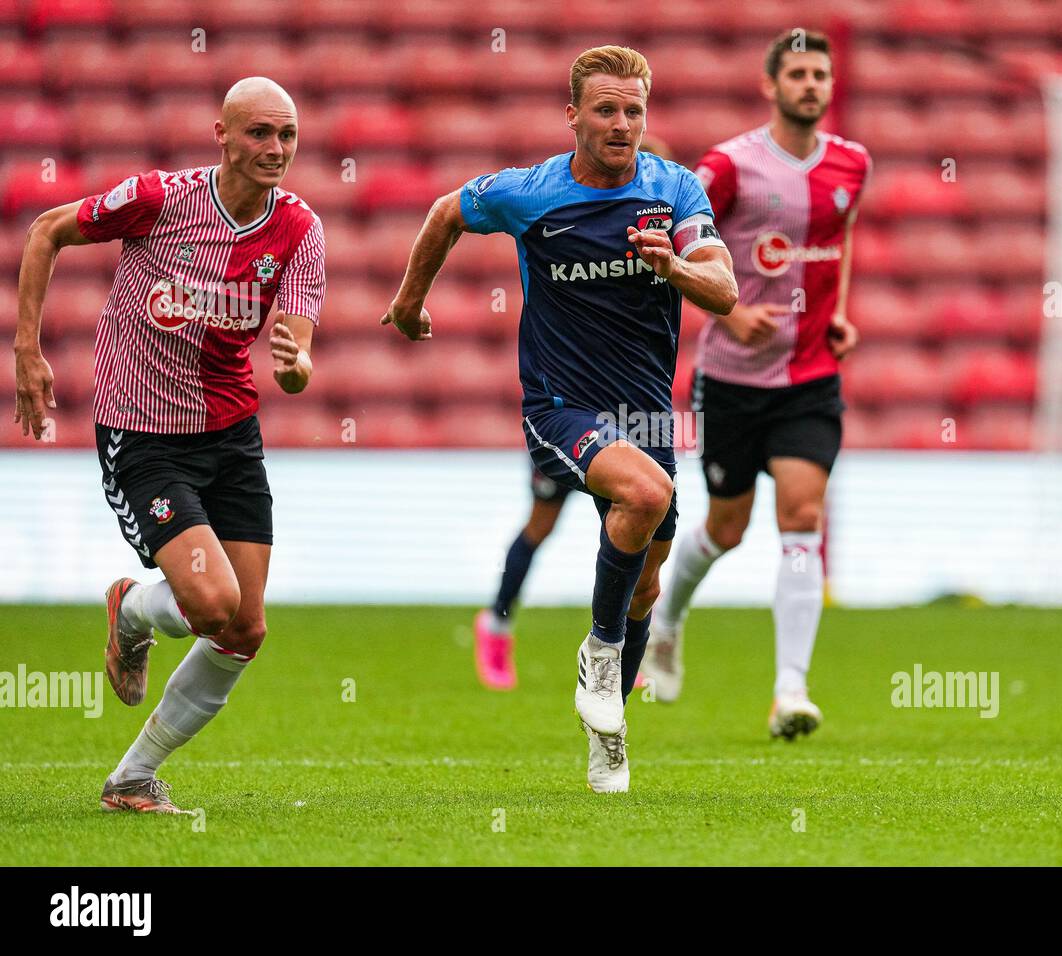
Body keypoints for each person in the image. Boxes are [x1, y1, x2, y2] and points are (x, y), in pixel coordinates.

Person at [383, 46, 736, 791]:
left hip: (644, 417)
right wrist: (411, 302)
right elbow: (447, 212)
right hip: (560, 405)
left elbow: (725, 289)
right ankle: (598, 659)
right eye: (605, 110)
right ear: (573, 114)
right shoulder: (530, 194)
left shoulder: (674, 190)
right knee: (644, 498)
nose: (621, 124)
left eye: (633, 110)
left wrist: (673, 267)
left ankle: (608, 737)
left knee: (647, 582)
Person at [12, 77, 325, 812]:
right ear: (222, 134)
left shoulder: (299, 229)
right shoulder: (159, 199)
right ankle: (130, 611)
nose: (274, 149)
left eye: (286, 135)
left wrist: (298, 365)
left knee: (245, 628)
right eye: (258, 133)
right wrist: (27, 350)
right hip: (143, 435)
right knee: (213, 604)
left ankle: (131, 779)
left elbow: (299, 356)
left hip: (232, 435)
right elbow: (45, 231)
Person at [640, 30, 868, 740]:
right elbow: (673, 231)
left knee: (802, 517)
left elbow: (842, 235)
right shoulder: (729, 166)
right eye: (797, 73)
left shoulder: (852, 164)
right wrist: (729, 313)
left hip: (810, 378)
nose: (811, 84)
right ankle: (669, 620)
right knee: (727, 528)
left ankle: (790, 692)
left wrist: (839, 312)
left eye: (820, 74)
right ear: (771, 85)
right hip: (733, 381)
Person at [472, 133, 678, 693]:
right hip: (567, 407)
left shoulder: (668, 217)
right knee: (542, 522)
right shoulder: (563, 217)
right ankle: (496, 623)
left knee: (639, 524)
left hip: (633, 412)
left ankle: (622, 643)